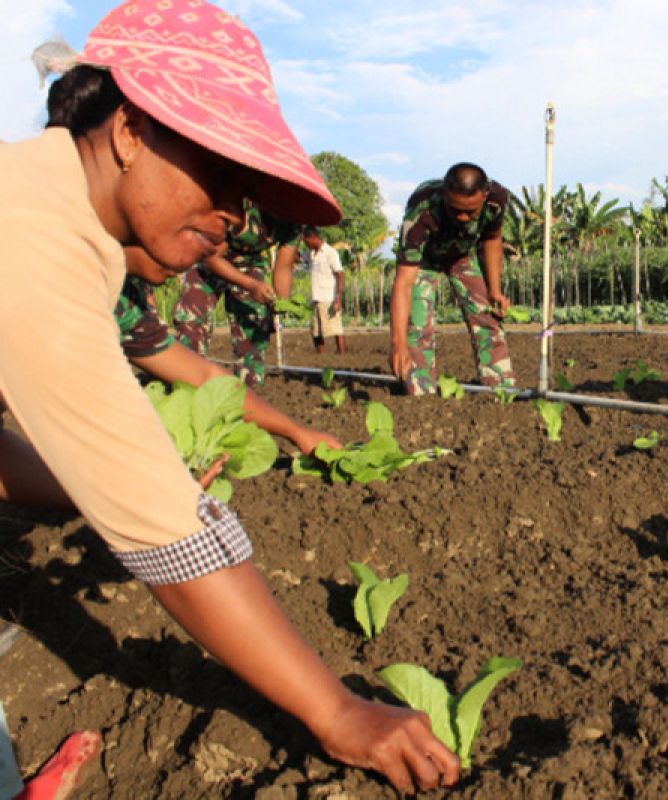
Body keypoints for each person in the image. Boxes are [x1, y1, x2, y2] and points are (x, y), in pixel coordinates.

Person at [2, 2, 459, 794]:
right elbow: (166, 531)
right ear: (130, 130)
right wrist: (339, 712)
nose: (234, 216)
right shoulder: (32, 236)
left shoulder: (44, 210)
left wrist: (82, 488)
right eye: (223, 174)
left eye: (247, 193)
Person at [120, 247, 343, 455]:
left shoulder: (129, 311)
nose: (188, 253)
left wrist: (296, 432)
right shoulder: (105, 289)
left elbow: (205, 376)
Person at [388, 163, 516, 394]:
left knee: (488, 316)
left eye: (471, 212)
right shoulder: (421, 212)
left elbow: (492, 239)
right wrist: (398, 343)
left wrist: (494, 290)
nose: (464, 217)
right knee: (417, 327)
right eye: (456, 210)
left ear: (485, 196)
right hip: (424, 261)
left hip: (463, 255)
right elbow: (404, 282)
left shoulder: (497, 200)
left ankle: (501, 390)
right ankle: (420, 391)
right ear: (445, 195)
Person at [172, 199, 300, 386]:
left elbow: (283, 268)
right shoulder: (244, 207)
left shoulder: (294, 224)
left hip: (249, 264)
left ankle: (249, 392)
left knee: (255, 324)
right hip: (208, 259)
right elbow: (212, 258)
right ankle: (185, 386)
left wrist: (281, 302)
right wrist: (251, 285)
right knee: (191, 323)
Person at [303, 226, 347, 354]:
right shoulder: (311, 254)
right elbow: (296, 257)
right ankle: (320, 358)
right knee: (316, 331)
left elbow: (340, 274)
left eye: (306, 241)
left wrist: (338, 298)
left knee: (336, 329)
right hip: (316, 297)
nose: (306, 245)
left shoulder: (330, 252)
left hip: (329, 297)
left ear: (313, 238)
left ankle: (342, 356)